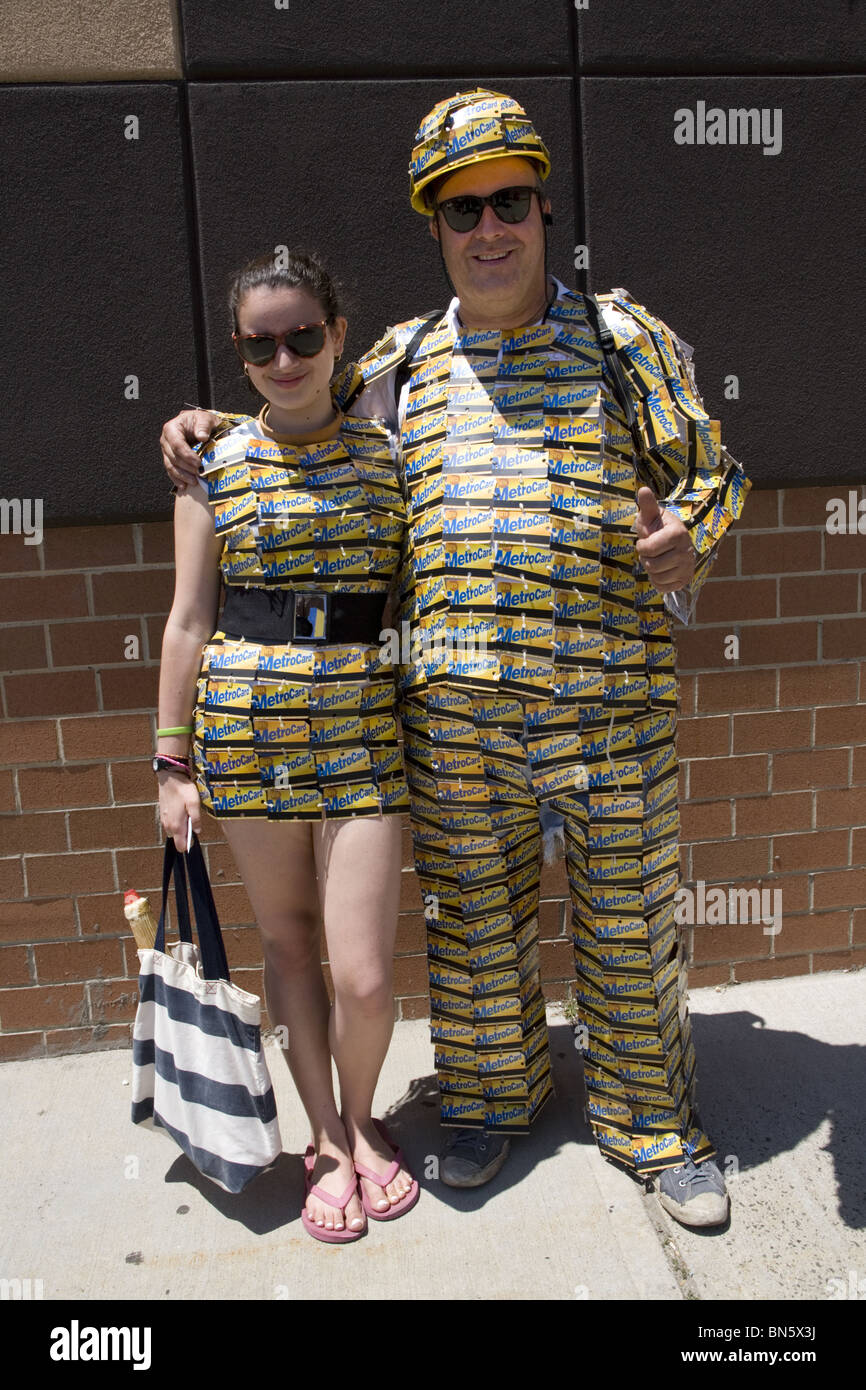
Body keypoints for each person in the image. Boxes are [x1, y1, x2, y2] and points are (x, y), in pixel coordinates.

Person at [159, 91, 751, 1229]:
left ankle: (652, 1124)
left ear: (540, 208)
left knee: (626, 922)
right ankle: (488, 1101)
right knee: (475, 929)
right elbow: (297, 405)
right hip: (452, 721)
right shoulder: (401, 359)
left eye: (509, 202)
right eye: (461, 208)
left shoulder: (621, 341)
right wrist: (197, 426)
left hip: (610, 707)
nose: (490, 228)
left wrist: (690, 535)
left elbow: (715, 471)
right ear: (432, 228)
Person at [155, 248, 419, 1243]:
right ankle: (329, 1139)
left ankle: (364, 1110)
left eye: (302, 334)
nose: (284, 357)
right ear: (240, 351)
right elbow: (185, 619)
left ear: (336, 335)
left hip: (363, 730)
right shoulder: (210, 463)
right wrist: (169, 763)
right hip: (244, 729)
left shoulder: (393, 461)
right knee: (288, 944)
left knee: (362, 974)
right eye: (261, 343)